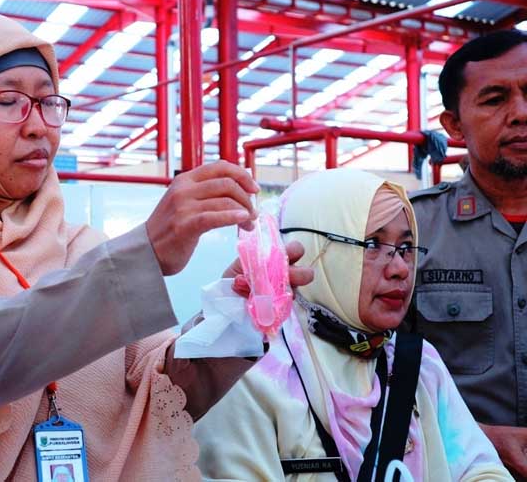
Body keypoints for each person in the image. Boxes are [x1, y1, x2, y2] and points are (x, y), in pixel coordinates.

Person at [0, 11, 313, 481]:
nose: (37, 124)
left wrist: (237, 312)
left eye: (49, 101)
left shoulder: (77, 243)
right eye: (7, 100)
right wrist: (143, 255)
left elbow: (162, 393)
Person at [194, 168, 511, 481]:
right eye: (372, 244)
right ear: (311, 250)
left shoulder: (417, 363)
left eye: (406, 247)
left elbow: (480, 468)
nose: (400, 268)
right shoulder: (249, 371)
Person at [408, 29, 527, 479]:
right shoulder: (411, 232)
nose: (521, 114)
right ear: (454, 125)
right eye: (495, 99)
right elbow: (365, 376)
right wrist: (473, 436)